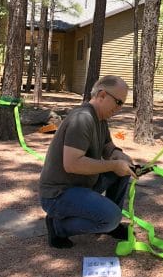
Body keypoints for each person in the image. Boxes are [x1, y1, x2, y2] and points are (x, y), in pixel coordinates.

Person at [39, 75, 136, 249]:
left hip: (82, 184)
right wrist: (114, 165)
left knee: (122, 172)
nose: (119, 108)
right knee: (111, 218)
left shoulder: (100, 119)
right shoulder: (82, 118)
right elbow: (72, 164)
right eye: (118, 102)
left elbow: (108, 147)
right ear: (102, 95)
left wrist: (120, 157)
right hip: (58, 194)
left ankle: (109, 226)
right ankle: (58, 226)